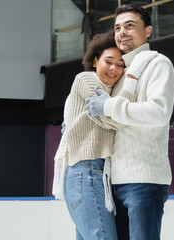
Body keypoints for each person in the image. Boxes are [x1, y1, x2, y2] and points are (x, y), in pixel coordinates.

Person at [84, 3, 174, 240]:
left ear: (148, 31)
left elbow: (159, 112)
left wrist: (109, 106)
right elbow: (111, 123)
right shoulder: (118, 71)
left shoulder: (158, 64)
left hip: (144, 180)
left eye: (129, 25)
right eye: (117, 28)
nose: (121, 32)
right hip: (113, 182)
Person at [52, 30, 154, 240]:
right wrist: (132, 81)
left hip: (95, 173)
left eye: (120, 65)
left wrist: (114, 105)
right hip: (85, 171)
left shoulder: (108, 92)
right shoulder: (86, 80)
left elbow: (113, 113)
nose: (114, 68)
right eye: (108, 61)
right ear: (95, 61)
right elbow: (116, 119)